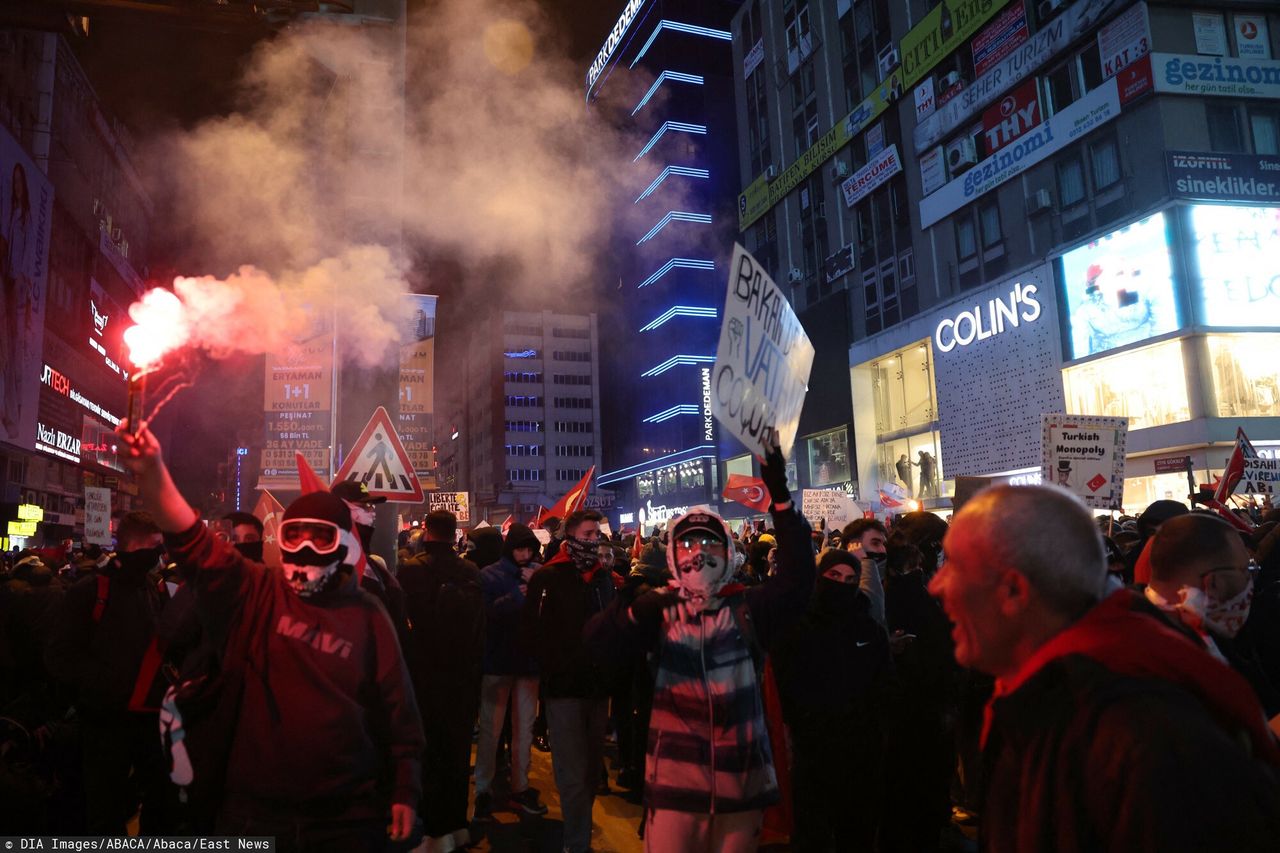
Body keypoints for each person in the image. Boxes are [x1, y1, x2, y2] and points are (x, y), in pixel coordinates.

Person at [114, 423, 424, 849]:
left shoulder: (367, 613)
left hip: (345, 815)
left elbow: (399, 711)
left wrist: (405, 789)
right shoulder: (257, 590)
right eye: (296, 536)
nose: (309, 550)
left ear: (344, 545)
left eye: (322, 537)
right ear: (281, 539)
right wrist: (152, 472)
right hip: (254, 813)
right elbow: (193, 543)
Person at [928, 484, 1280, 852]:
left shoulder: (1138, 734)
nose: (936, 586)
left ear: (1014, 592)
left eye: (954, 566)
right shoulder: (1065, 698)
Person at [586, 445, 815, 852]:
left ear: (727, 553)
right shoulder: (659, 609)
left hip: (740, 788)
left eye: (710, 545)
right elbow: (595, 653)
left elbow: (798, 580)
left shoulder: (748, 607)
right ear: (673, 556)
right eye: (688, 545)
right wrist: (630, 611)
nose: (698, 553)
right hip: (674, 791)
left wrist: (780, 495)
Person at [45, 511, 178, 834]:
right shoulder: (90, 592)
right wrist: (108, 685)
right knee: (106, 808)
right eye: (155, 547)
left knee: (161, 800)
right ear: (134, 547)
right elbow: (58, 656)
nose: (160, 555)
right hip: (104, 722)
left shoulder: (150, 588)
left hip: (149, 719)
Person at [772, 548, 890, 851]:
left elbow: (884, 683)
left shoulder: (868, 627)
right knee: (813, 829)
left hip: (861, 750)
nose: (842, 583)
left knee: (857, 828)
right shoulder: (798, 626)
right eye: (834, 576)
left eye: (850, 579)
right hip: (813, 749)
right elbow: (785, 682)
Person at [519, 508, 614, 853]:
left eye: (596, 536)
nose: (593, 541)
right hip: (564, 690)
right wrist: (553, 666)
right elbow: (531, 632)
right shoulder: (549, 577)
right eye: (588, 535)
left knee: (590, 773)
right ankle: (576, 845)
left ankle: (579, 835)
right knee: (572, 774)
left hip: (597, 690)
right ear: (570, 535)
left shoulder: (603, 578)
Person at [398, 509, 485, 852]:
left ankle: (431, 830)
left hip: (424, 675)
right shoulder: (470, 571)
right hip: (462, 676)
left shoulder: (410, 571)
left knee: (428, 750)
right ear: (454, 534)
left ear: (427, 532)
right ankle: (456, 824)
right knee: (459, 750)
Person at [1147, 513, 1280, 719]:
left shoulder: (1213, 634)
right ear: (1214, 583)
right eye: (1247, 570)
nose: (1251, 582)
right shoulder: (1161, 673)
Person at [474, 523, 547, 820]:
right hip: (498, 663)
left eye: (529, 549)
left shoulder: (540, 573)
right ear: (509, 549)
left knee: (524, 729)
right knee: (491, 729)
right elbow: (485, 615)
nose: (525, 554)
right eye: (520, 548)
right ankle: (483, 791)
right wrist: (519, 596)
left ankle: (520, 787)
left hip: (529, 664)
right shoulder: (490, 574)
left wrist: (539, 586)